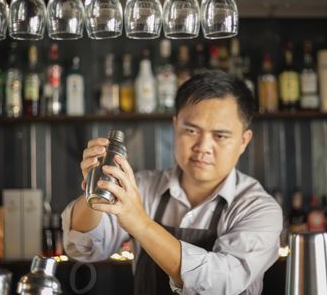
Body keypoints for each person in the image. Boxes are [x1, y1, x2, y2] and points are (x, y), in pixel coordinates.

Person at [62, 70, 282, 294]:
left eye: (220, 136)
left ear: (244, 141)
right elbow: (84, 248)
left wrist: (140, 223)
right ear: (176, 126)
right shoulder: (142, 187)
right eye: (191, 130)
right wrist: (94, 190)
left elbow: (220, 284)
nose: (203, 147)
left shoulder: (259, 209)